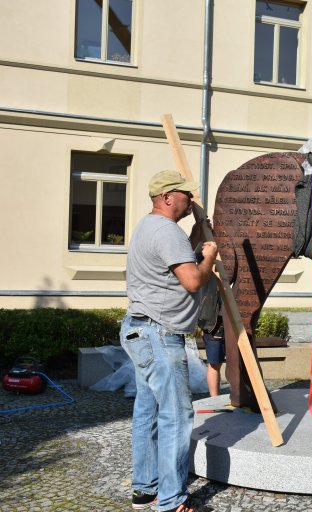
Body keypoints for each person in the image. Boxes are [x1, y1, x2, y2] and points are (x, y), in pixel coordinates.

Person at [120, 170, 218, 512]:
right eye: (185, 194)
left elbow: (170, 270)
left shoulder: (149, 226)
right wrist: (208, 256)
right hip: (160, 336)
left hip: (140, 330)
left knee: (147, 411)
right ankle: (173, 501)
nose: (190, 200)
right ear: (166, 197)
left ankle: (145, 490)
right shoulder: (166, 231)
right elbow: (192, 280)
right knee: (176, 415)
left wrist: (192, 241)